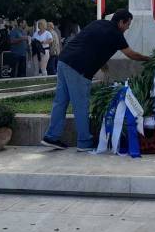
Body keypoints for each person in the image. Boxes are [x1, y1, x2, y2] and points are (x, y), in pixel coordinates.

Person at [42, 9, 149, 151]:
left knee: (60, 101)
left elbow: (90, 43)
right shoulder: (116, 34)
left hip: (64, 60)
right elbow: (131, 54)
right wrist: (149, 59)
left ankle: (51, 136)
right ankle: (84, 142)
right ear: (121, 22)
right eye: (128, 24)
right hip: (78, 68)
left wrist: (101, 62)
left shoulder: (98, 23)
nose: (128, 28)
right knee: (81, 105)